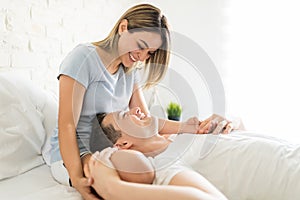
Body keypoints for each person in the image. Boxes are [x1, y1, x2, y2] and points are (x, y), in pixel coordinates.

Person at [48, 3, 222, 200]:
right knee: (105, 175)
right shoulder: (83, 58)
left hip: (112, 145)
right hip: (77, 149)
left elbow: (147, 120)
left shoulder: (130, 71)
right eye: (141, 46)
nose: (142, 57)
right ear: (123, 28)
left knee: (147, 172)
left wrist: (188, 127)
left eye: (149, 53)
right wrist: (77, 178)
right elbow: (67, 124)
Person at [91, 108, 300, 200]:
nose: (136, 110)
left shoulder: (187, 135)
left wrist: (231, 124)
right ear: (123, 144)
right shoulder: (167, 165)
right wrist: (113, 188)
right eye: (124, 116)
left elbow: (245, 148)